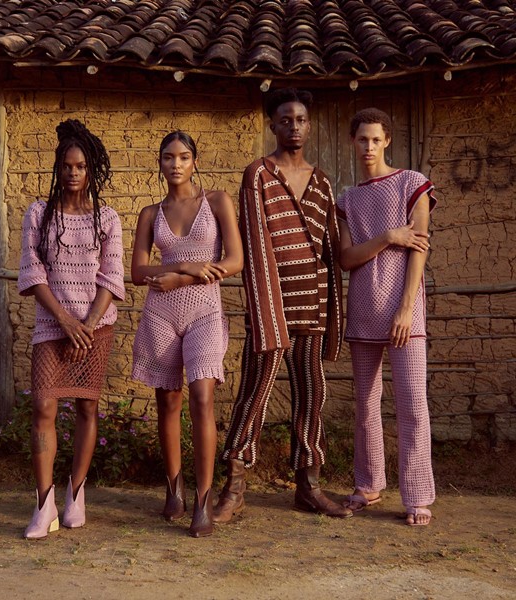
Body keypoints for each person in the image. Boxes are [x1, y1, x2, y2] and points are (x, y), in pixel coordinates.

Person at [213, 88, 352, 523]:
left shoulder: (323, 181)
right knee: (254, 394)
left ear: (309, 126)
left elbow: (331, 251)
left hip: (312, 306)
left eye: (301, 120)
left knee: (312, 393)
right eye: (286, 119)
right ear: (272, 125)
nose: (294, 127)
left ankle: (307, 486)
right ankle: (234, 487)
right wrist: (267, 313)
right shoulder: (258, 174)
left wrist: (332, 312)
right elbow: (255, 244)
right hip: (271, 308)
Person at [131, 131, 243, 537]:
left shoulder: (216, 202)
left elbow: (235, 260)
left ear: (195, 161)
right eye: (167, 157)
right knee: (168, 400)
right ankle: (173, 488)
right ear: (158, 163)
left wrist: (187, 275)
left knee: (202, 396)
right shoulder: (150, 213)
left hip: (205, 311)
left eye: (183, 157)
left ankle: (203, 500)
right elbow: (138, 272)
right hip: (161, 313)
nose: (175, 164)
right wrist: (183, 270)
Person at [18, 119, 125, 539]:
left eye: (80, 166)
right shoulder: (39, 214)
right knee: (43, 407)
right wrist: (65, 321)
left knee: (86, 408)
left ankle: (75, 494)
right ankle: (43, 505)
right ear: (57, 168)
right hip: (52, 324)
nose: (73, 173)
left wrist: (88, 324)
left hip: (95, 327)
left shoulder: (107, 218)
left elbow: (112, 278)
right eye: (66, 165)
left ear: (91, 168)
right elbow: (32, 271)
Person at [336, 107, 436, 526]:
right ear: (353, 142)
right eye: (362, 139)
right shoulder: (347, 201)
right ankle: (369, 485)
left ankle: (416, 497)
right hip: (363, 311)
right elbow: (346, 258)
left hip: (402, 314)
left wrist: (407, 309)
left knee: (413, 405)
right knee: (366, 404)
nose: (369, 147)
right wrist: (387, 236)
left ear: (387, 141)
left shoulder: (412, 184)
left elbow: (419, 247)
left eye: (376, 139)